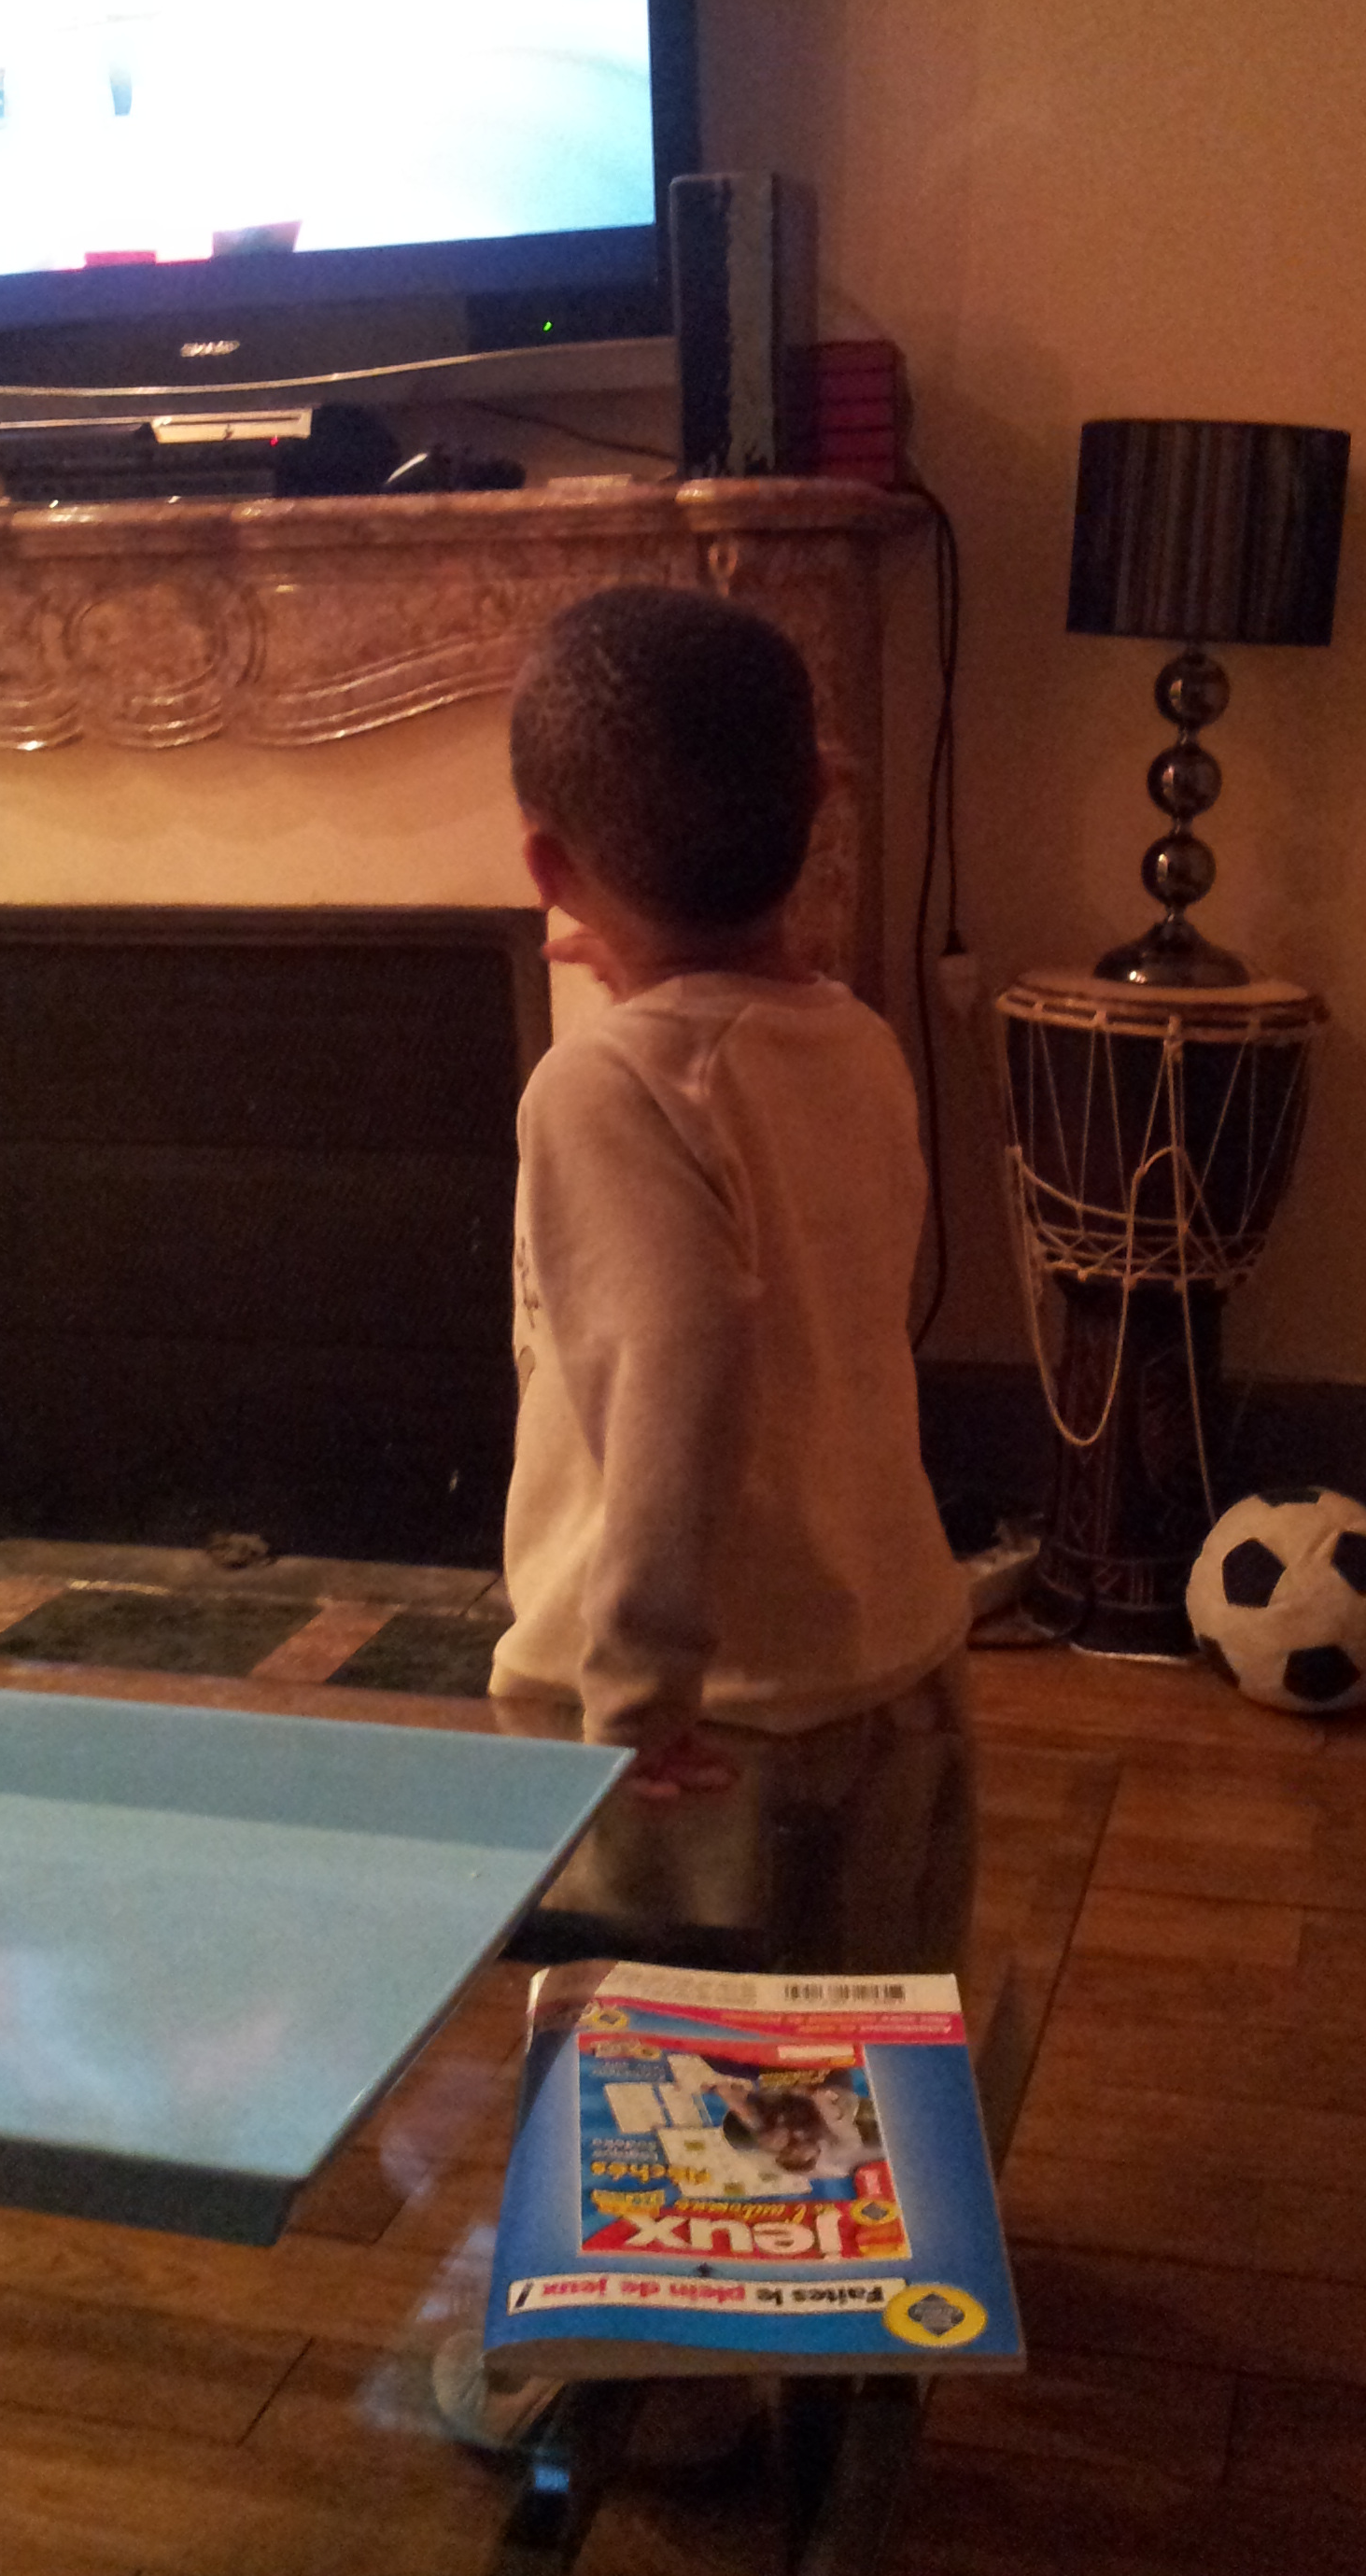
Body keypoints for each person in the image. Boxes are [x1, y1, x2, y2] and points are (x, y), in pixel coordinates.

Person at [489, 584, 977, 1975]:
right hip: (896, 1661)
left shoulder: (603, 1085)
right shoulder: (856, 1045)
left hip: (709, 1727)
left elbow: (681, 1367)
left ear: (546, 867)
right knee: (870, 2040)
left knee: (680, 2063)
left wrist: (640, 1684)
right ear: (823, 798)